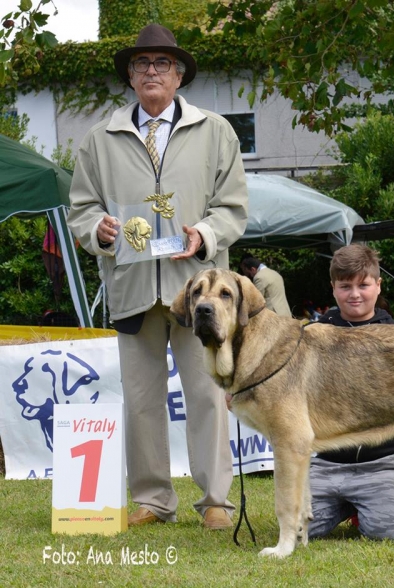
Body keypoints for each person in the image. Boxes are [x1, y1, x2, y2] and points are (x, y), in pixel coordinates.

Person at [67, 24, 248, 529]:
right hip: (131, 290)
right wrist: (98, 231)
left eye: (162, 64)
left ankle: (215, 500)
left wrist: (204, 236)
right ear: (129, 75)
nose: (152, 71)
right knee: (142, 401)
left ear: (179, 75)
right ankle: (152, 500)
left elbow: (232, 209)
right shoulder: (98, 139)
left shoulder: (217, 131)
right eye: (142, 63)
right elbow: (81, 208)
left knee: (209, 395)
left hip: (201, 292)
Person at [308, 244, 394, 540]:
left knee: (381, 533)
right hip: (328, 461)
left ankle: (388, 503)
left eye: (363, 285)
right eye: (345, 286)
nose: (355, 294)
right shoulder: (312, 335)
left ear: (378, 286)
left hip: (384, 462)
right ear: (333, 288)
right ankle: (346, 503)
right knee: (300, 529)